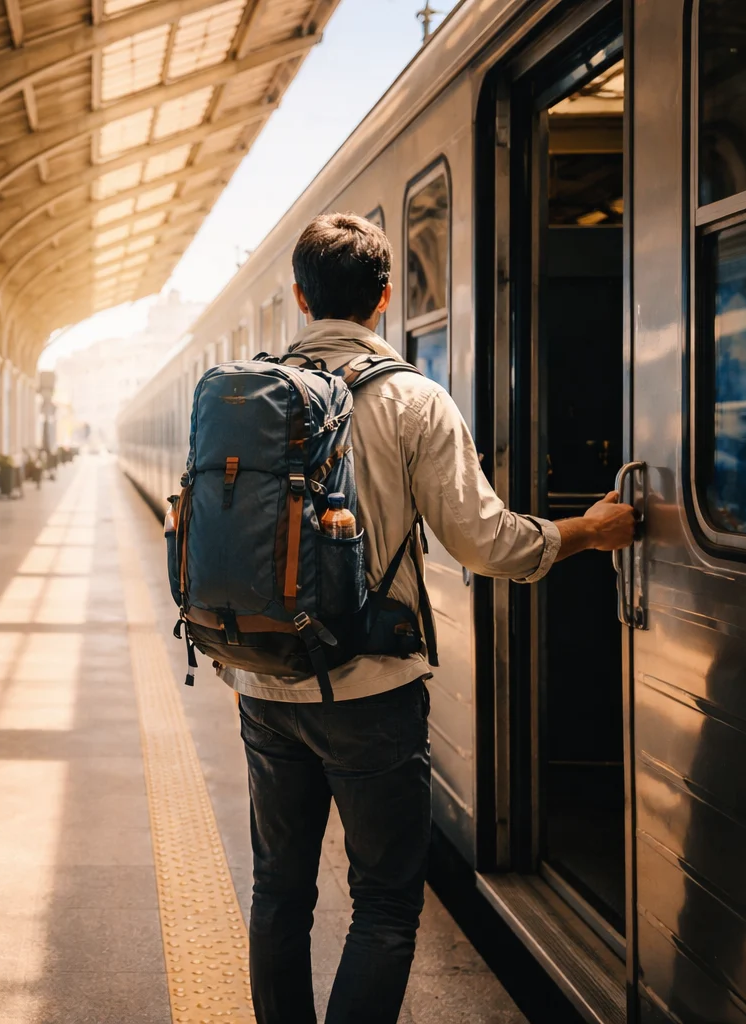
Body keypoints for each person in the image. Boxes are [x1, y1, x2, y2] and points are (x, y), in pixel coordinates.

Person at [221, 214, 635, 1024]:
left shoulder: (251, 394)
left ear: (301, 297)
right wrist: (588, 530)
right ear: (384, 300)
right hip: (372, 690)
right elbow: (485, 544)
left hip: (265, 685)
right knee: (382, 902)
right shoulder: (414, 400)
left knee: (278, 891)